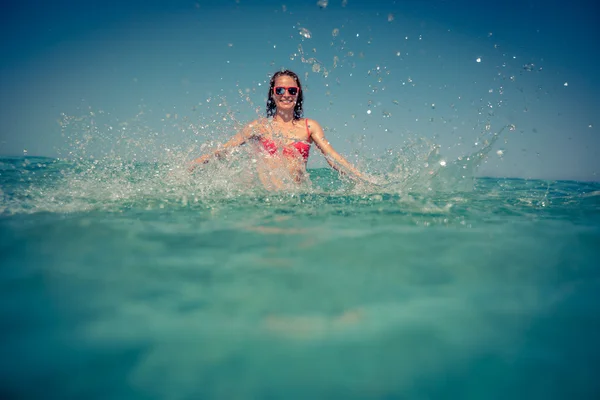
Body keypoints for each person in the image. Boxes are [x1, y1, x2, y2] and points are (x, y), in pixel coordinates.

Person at [188, 69, 374, 190]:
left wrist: (365, 180)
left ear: (298, 93)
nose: (286, 95)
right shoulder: (259, 127)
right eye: (280, 90)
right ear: (272, 93)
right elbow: (224, 150)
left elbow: (333, 158)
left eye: (292, 91)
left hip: (295, 199)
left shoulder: (309, 127)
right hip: (266, 201)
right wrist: (189, 167)